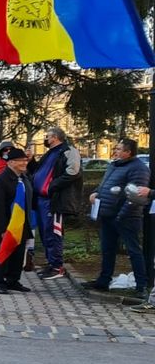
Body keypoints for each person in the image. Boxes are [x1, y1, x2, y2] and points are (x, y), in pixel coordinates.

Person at [85, 138, 151, 298]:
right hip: (108, 214)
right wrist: (95, 192)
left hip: (126, 217)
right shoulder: (114, 165)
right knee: (108, 249)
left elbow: (135, 195)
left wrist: (121, 215)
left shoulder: (138, 169)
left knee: (133, 250)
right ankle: (103, 280)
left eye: (119, 149)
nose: (115, 151)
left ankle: (141, 286)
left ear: (128, 152)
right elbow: (105, 184)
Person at [32, 128, 81, 281]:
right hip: (41, 199)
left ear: (54, 137)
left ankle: (57, 266)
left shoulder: (68, 151)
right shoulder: (49, 153)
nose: (45, 138)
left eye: (47, 136)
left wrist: (52, 185)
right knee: (45, 232)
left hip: (54, 200)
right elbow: (39, 171)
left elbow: (73, 172)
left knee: (54, 232)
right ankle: (50, 263)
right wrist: (31, 161)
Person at [0, 147, 34, 295]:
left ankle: (13, 280)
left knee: (19, 252)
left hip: (21, 223)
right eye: (21, 161)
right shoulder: (1, 181)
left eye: (25, 161)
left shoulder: (24, 178)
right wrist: (2, 229)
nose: (24, 163)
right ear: (11, 162)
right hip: (7, 225)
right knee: (4, 252)